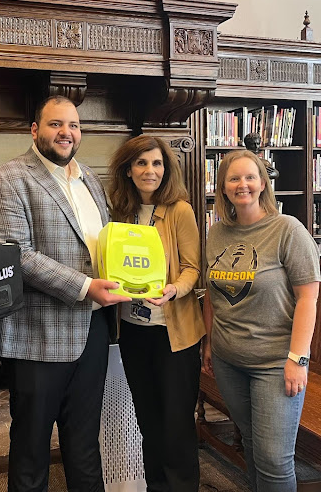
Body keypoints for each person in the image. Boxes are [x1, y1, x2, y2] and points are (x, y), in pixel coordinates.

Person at [0, 95, 131, 492]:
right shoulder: (8, 178)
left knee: (84, 443)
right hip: (36, 334)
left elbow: (104, 246)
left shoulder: (91, 181)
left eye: (74, 125)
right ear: (35, 130)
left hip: (93, 329)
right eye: (55, 124)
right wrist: (86, 287)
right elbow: (15, 255)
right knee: (31, 449)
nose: (67, 132)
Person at [202, 150, 320, 491]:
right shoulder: (218, 233)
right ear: (222, 187)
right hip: (228, 361)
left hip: (275, 363)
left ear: (263, 183)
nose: (243, 185)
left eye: (250, 177)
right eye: (234, 178)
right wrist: (210, 343)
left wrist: (298, 360)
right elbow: (212, 292)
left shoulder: (287, 229)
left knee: (274, 459)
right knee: (253, 446)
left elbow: (308, 298)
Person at [108, 135, 205, 492]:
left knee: (176, 425)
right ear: (128, 170)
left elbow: (194, 267)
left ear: (166, 170)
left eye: (157, 163)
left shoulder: (180, 210)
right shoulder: (120, 212)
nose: (150, 170)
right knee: (147, 421)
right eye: (142, 163)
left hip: (173, 334)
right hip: (134, 332)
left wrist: (174, 288)